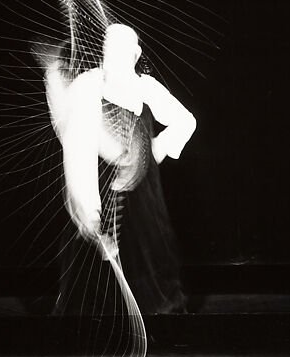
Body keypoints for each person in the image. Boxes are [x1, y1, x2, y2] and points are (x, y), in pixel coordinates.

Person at [44, 18, 196, 315]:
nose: (111, 55)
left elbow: (186, 121)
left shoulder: (145, 88)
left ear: (135, 55)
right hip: (99, 188)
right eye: (108, 47)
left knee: (149, 253)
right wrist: (89, 205)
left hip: (144, 197)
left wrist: (157, 150)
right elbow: (78, 147)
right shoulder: (87, 86)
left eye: (121, 50)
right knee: (92, 265)